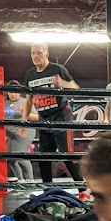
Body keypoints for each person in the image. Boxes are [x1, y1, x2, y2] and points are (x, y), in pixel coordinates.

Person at [21, 42, 83, 184]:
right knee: (44, 157)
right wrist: (23, 122)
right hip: (44, 118)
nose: (35, 56)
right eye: (33, 53)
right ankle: (47, 189)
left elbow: (75, 87)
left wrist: (62, 83)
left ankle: (82, 189)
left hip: (61, 115)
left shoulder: (57, 69)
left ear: (46, 54)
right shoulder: (30, 74)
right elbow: (29, 100)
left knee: (67, 154)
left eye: (39, 53)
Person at [5, 80, 34, 181]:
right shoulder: (4, 103)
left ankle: (30, 180)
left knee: (20, 156)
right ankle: (21, 180)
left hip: (24, 131)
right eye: (10, 92)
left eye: (15, 92)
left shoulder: (25, 102)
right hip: (11, 133)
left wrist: (25, 113)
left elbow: (37, 117)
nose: (13, 95)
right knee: (10, 158)